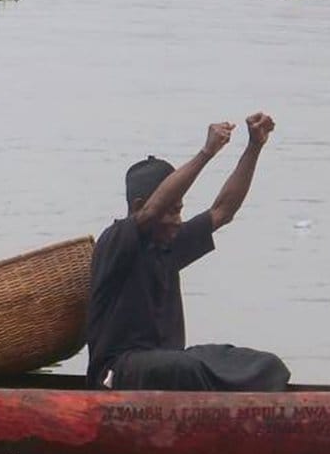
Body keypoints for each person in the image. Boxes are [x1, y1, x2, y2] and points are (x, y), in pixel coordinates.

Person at [85, 114, 291, 391]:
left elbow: (223, 211)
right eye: (172, 211)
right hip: (118, 369)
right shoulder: (116, 241)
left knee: (267, 366)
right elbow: (153, 210)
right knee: (182, 368)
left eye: (180, 210)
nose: (178, 220)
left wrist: (254, 146)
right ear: (137, 207)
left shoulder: (169, 243)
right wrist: (206, 153)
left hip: (170, 361)